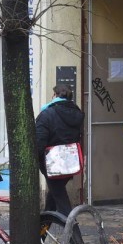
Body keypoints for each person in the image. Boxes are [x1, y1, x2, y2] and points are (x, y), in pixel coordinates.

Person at [35, 84, 84, 217]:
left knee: (63, 206)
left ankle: (75, 236)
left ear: (55, 96)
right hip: (70, 165)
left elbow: (38, 144)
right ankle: (41, 235)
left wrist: (34, 162)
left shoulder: (46, 115)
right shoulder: (77, 113)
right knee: (52, 202)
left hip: (51, 166)